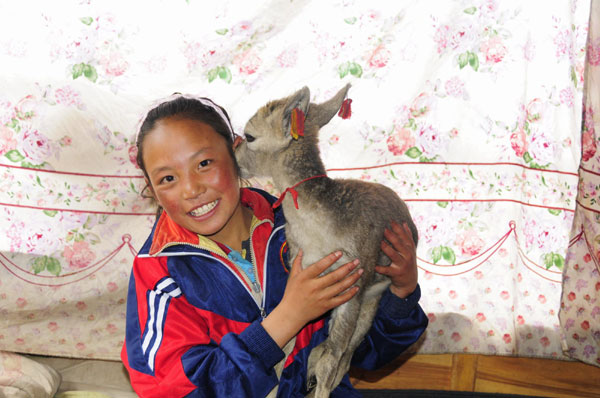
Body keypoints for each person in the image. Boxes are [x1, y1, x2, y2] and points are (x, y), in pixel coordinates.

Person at [121, 93, 428, 398]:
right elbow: (180, 391)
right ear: (152, 190)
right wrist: (287, 318)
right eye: (167, 179)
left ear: (236, 151)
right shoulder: (159, 276)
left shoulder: (298, 229)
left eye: (203, 163)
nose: (191, 189)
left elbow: (364, 353)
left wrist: (399, 293)